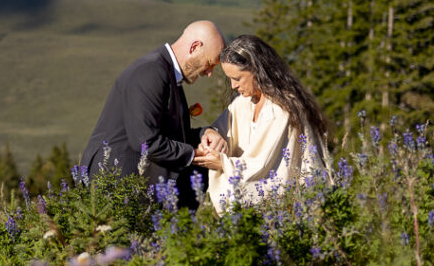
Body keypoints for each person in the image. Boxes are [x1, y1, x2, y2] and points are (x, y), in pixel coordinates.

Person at [79, 20, 229, 207]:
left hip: (132, 185)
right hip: (115, 182)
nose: (209, 73)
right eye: (209, 63)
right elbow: (146, 141)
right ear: (195, 47)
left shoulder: (167, 73)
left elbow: (171, 135)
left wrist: (205, 134)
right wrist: (195, 153)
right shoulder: (150, 71)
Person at [193, 34, 331, 215]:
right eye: (230, 79)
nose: (233, 86)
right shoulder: (243, 103)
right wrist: (210, 134)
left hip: (282, 211)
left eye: (238, 78)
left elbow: (265, 168)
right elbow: (219, 128)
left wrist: (223, 163)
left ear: (258, 71)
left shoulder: (281, 110)